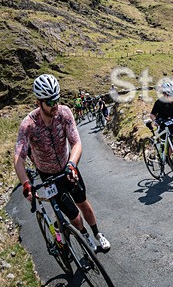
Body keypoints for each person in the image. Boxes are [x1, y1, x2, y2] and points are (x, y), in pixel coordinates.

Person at [14, 74, 111, 252]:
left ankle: (97, 233)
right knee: (73, 214)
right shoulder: (28, 125)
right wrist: (26, 183)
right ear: (39, 103)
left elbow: (76, 143)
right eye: (50, 102)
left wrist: (72, 164)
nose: (55, 105)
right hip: (48, 175)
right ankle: (85, 237)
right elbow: (19, 158)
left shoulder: (65, 113)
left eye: (56, 99)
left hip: (68, 167)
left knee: (83, 202)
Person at [149, 80, 173, 169]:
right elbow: (152, 115)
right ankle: (166, 157)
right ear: (165, 94)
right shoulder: (159, 102)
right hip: (163, 122)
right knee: (170, 143)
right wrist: (155, 121)